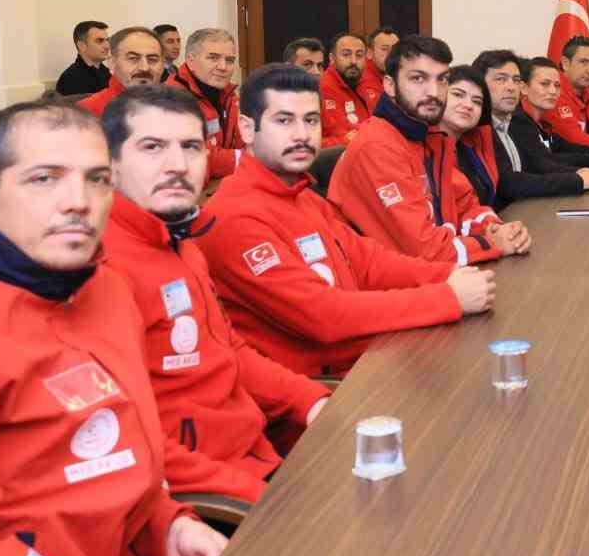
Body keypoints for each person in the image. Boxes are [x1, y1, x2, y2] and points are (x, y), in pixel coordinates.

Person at [0, 102, 227, 556]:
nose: (78, 201)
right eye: (45, 179)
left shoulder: (105, 288)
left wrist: (170, 527)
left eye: (97, 179)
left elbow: (120, 456)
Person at [100, 84, 329, 503]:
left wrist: (312, 400)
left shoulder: (181, 242)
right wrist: (264, 499)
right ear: (110, 165)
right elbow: (129, 440)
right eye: (152, 147)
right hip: (209, 498)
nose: (177, 165)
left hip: (255, 457)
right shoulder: (103, 270)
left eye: (191, 147)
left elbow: (229, 351)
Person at [199, 64, 496, 377]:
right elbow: (324, 316)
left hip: (364, 361)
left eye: (311, 120)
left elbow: (370, 263)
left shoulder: (304, 197)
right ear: (247, 129)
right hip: (319, 389)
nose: (302, 134)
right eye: (284, 120)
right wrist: (447, 296)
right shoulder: (234, 216)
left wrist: (450, 274)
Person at [329, 36, 528, 265]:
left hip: (432, 271)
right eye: (418, 78)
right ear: (390, 85)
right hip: (381, 280)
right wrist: (493, 243)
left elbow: (464, 206)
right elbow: (423, 250)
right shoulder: (377, 146)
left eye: (442, 80)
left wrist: (493, 228)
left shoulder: (430, 135)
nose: (433, 91)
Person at [446, 62, 589, 209]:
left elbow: (541, 160)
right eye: (458, 95)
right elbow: (508, 182)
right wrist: (578, 175)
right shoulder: (505, 125)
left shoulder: (499, 127)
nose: (511, 88)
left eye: (476, 101)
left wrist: (584, 165)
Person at [515, 55, 589, 167]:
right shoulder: (517, 122)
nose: (553, 91)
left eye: (557, 85)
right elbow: (543, 161)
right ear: (524, 88)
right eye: (545, 84)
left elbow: (563, 146)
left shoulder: (543, 124)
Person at [167, 27, 244, 179]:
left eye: (229, 60)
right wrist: (245, 159)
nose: (223, 67)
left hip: (225, 184)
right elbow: (192, 156)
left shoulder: (229, 95)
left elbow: (247, 140)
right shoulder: (169, 99)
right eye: (213, 58)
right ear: (191, 61)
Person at [79, 26, 166, 116]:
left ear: (163, 64)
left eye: (153, 59)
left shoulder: (173, 106)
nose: (144, 67)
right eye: (133, 58)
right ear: (112, 63)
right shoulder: (87, 111)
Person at [319, 32, 378, 147]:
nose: (353, 61)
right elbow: (342, 135)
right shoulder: (324, 88)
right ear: (332, 58)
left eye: (359, 55)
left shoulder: (366, 83)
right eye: (346, 55)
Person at [56, 19, 111, 95]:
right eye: (99, 41)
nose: (107, 46)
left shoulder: (107, 73)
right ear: (81, 46)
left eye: (107, 40)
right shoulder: (71, 78)